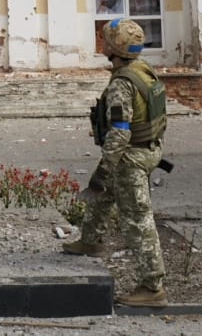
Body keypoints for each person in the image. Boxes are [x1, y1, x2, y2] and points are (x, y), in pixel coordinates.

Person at [62, 17, 168, 308]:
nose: (102, 43)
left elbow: (120, 132)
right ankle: (91, 239)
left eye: (105, 40)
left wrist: (105, 167)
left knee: (137, 219)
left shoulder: (123, 83)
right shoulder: (143, 70)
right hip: (147, 149)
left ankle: (152, 286)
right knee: (104, 194)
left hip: (129, 156)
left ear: (113, 47)